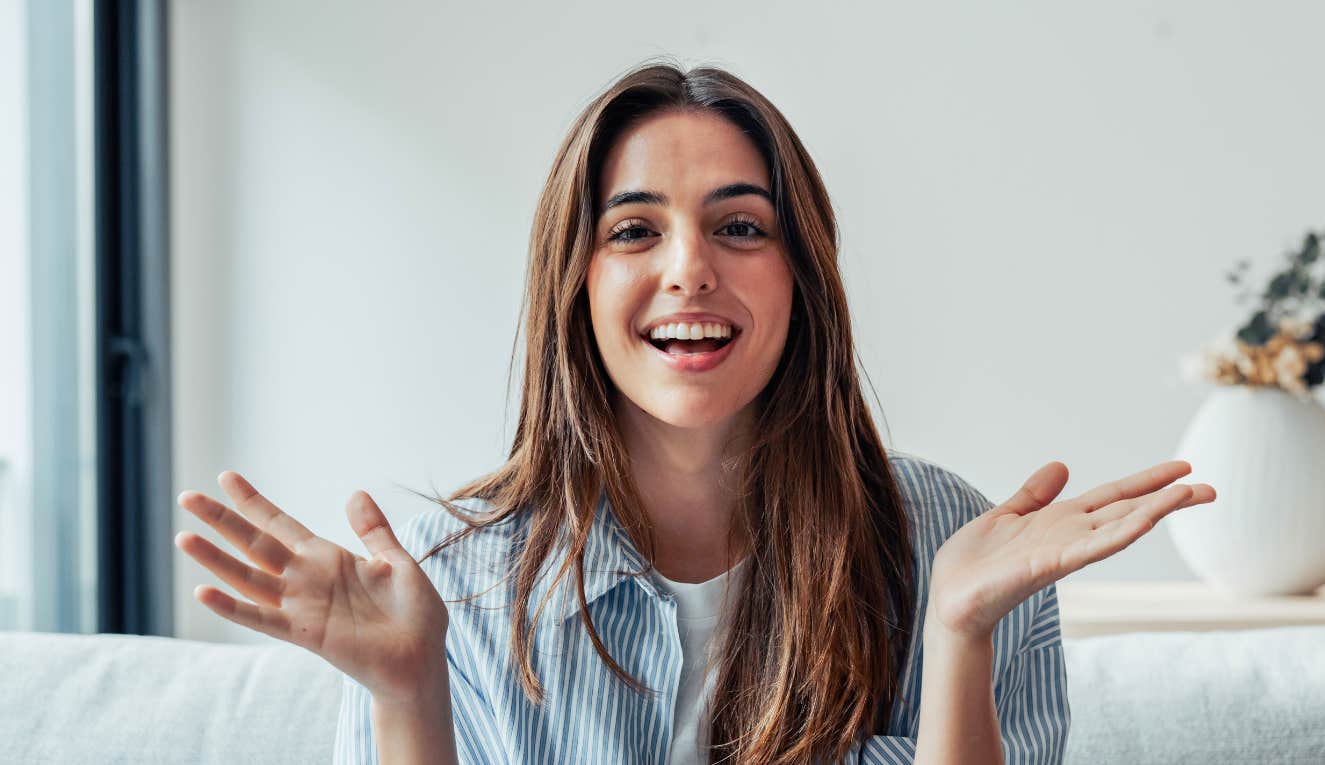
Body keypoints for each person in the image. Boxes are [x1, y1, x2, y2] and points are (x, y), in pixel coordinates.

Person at [173, 59, 1216, 765]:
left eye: (740, 227)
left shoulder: (962, 550)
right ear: (571, 282)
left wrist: (956, 634)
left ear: (803, 274)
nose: (689, 271)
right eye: (633, 230)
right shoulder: (441, 581)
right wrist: (407, 694)